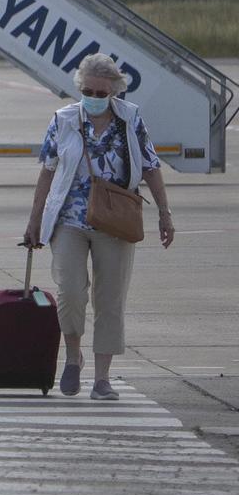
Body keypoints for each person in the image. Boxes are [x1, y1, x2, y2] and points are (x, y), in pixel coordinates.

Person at [23, 54, 176, 400]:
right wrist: (34, 221)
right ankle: (73, 355)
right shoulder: (63, 120)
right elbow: (47, 170)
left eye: (101, 92)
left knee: (110, 300)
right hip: (69, 220)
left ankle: (102, 378)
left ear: (114, 92)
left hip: (116, 221)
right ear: (80, 88)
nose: (94, 96)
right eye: (88, 90)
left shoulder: (130, 119)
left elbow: (151, 167)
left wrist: (164, 213)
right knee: (71, 292)